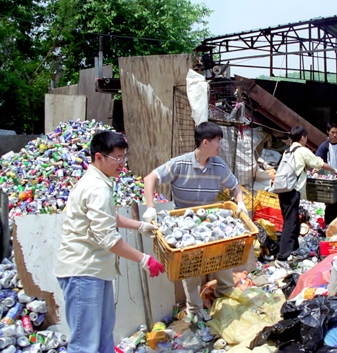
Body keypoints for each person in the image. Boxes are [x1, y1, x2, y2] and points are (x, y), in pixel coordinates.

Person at [54, 130, 164, 353]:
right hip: (82, 271)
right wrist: (143, 259)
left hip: (96, 271)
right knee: (85, 343)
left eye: (124, 157)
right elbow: (107, 238)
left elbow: (107, 216)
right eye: (116, 158)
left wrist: (140, 226)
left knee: (104, 335)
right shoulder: (96, 188)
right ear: (98, 157)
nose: (121, 163)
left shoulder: (99, 182)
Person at [142, 121, 247, 323]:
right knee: (190, 271)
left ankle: (226, 299)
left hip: (209, 220)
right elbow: (149, 179)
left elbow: (236, 187)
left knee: (222, 260)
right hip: (184, 225)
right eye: (218, 141)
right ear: (205, 142)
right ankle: (195, 310)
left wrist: (240, 203)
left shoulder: (218, 165)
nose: (220, 146)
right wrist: (150, 207)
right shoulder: (179, 164)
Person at [275, 125, 337, 270]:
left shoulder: (288, 150)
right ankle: (282, 257)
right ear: (303, 137)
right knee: (290, 223)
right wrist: (333, 169)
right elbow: (317, 163)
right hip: (292, 190)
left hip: (282, 189)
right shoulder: (302, 150)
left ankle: (294, 247)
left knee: (292, 219)